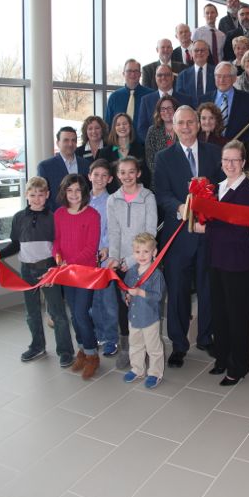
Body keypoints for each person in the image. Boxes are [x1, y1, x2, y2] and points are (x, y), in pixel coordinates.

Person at [154, 106, 223, 368]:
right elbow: (161, 194)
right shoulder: (164, 157)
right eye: (180, 123)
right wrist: (180, 208)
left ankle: (206, 337)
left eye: (190, 122)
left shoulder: (214, 153)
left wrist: (209, 212)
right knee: (178, 292)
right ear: (173, 125)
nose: (186, 127)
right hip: (178, 237)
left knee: (208, 289)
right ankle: (179, 344)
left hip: (208, 235)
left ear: (199, 124)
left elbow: (220, 190)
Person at [0, 176, 74, 367]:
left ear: (47, 195)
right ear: (26, 195)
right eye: (33, 195)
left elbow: (60, 246)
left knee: (57, 312)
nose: (37, 198)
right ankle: (37, 345)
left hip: (48, 269)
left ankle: (65, 351)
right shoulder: (18, 217)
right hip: (27, 271)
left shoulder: (54, 217)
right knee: (31, 312)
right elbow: (15, 245)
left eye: (41, 195)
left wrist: (55, 268)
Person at [205, 140, 249, 386]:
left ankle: (238, 366)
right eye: (226, 160)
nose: (230, 164)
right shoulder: (218, 188)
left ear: (243, 163)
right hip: (217, 261)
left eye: (235, 160)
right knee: (220, 314)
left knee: (238, 317)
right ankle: (222, 358)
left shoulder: (247, 192)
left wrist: (206, 226)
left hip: (238, 264)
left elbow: (239, 232)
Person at [107, 156, 158, 369]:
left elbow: (150, 232)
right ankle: (128, 347)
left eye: (131, 172)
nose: (127, 176)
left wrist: (131, 259)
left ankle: (146, 347)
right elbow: (114, 232)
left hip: (143, 261)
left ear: (138, 173)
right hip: (121, 263)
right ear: (117, 175)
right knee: (123, 306)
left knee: (142, 305)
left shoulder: (148, 197)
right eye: (122, 172)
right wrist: (115, 258)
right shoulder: (113, 200)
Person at [53, 174, 101, 379]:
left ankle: (92, 356)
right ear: (64, 192)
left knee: (81, 314)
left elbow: (91, 248)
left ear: (84, 193)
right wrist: (57, 255)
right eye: (69, 190)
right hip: (66, 273)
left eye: (77, 190)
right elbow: (56, 241)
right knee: (74, 314)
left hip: (84, 273)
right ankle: (81, 350)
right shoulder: (59, 214)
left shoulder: (92, 215)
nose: (73, 194)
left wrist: (70, 262)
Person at [123, 233, 165, 389]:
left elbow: (158, 296)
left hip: (149, 318)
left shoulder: (156, 274)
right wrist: (126, 296)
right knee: (135, 344)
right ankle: (137, 369)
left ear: (154, 253)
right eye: (138, 252)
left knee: (153, 347)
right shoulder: (132, 271)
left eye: (146, 251)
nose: (141, 256)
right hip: (133, 317)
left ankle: (155, 373)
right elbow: (126, 289)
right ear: (133, 253)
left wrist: (141, 292)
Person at [88, 159, 119, 357]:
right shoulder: (83, 200)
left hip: (104, 257)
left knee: (107, 300)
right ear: (89, 176)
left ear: (109, 179)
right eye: (95, 175)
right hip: (86, 259)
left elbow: (113, 229)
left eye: (103, 176)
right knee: (92, 301)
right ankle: (98, 334)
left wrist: (107, 247)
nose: (99, 179)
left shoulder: (112, 201)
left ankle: (111, 338)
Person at [199, 61, 249, 144]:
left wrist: (239, 145)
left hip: (237, 148)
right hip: (210, 148)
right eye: (218, 76)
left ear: (234, 78)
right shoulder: (203, 99)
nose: (222, 80)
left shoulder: (248, 99)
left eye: (226, 76)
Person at [38, 126, 90, 211]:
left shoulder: (86, 165)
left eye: (73, 140)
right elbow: (42, 195)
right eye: (66, 140)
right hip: (56, 218)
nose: (70, 144)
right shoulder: (45, 167)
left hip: (82, 216)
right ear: (58, 143)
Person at [137, 64, 193, 143]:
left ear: (173, 77)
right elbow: (141, 128)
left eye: (167, 75)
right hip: (155, 149)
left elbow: (191, 125)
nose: (163, 77)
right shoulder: (146, 100)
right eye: (159, 75)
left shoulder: (186, 100)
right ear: (155, 78)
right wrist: (155, 143)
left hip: (181, 148)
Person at [99, 112, 150, 192]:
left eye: (125, 123)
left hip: (137, 196)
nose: (122, 127)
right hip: (113, 196)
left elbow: (146, 176)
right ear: (114, 128)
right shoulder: (104, 153)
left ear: (130, 126)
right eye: (118, 124)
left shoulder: (141, 150)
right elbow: (102, 176)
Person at [105, 59, 152, 130]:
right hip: (118, 140)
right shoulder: (114, 97)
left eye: (136, 71)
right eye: (129, 71)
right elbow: (108, 124)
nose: (133, 74)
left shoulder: (150, 96)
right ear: (123, 74)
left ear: (140, 74)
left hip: (144, 141)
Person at [145, 95, 179, 188]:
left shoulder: (182, 130)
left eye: (169, 108)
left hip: (180, 180)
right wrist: (164, 176)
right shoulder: (153, 130)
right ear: (159, 112)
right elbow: (150, 159)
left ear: (176, 110)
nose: (166, 112)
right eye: (162, 109)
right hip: (159, 181)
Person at [176, 39, 216, 107]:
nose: (199, 53)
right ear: (191, 53)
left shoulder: (217, 72)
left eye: (202, 50)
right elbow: (180, 99)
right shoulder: (182, 76)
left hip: (213, 113)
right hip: (189, 115)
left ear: (208, 53)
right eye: (196, 50)